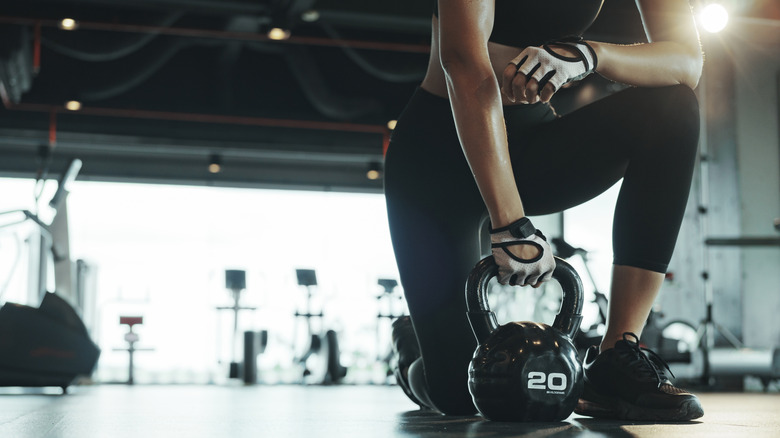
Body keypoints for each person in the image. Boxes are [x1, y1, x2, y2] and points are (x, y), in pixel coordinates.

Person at [384, 0, 705, 422]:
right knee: (464, 393)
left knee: (674, 107)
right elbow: (463, 62)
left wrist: (590, 54)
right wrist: (511, 222)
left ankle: (616, 355)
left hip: (529, 141)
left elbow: (686, 62)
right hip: (437, 158)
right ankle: (413, 351)